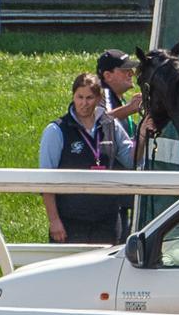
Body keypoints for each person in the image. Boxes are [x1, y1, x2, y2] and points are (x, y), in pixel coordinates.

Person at [40, 73, 135, 245]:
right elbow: (45, 181)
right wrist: (54, 221)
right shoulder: (56, 130)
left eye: (89, 98)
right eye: (80, 97)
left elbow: (131, 159)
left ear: (98, 98)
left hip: (108, 220)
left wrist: (143, 134)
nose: (84, 103)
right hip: (71, 221)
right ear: (73, 97)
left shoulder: (110, 125)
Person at [96, 49, 142, 138]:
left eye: (131, 69)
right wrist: (129, 108)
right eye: (125, 70)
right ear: (108, 76)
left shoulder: (118, 98)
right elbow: (96, 123)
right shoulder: (97, 95)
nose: (132, 73)